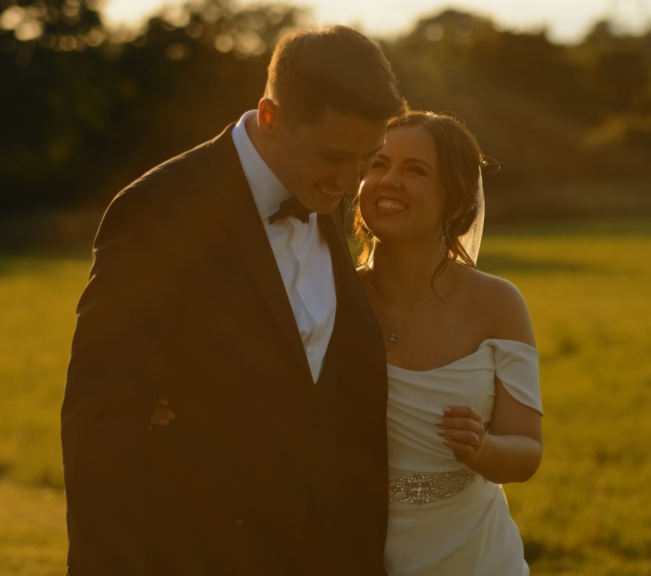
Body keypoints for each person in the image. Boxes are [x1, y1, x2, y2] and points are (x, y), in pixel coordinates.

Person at [60, 25, 407, 575]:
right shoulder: (159, 210)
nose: (350, 183)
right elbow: (101, 418)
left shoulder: (325, 191)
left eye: (368, 158)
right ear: (269, 116)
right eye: (333, 156)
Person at [152, 111, 544, 574]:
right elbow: (251, 388)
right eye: (378, 165)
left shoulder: (498, 303)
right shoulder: (326, 292)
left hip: (472, 553)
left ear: (455, 197)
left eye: (415, 171)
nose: (388, 181)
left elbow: (526, 451)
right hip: (343, 549)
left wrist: (482, 450)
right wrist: (168, 401)